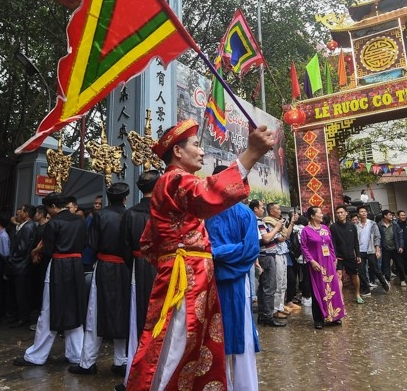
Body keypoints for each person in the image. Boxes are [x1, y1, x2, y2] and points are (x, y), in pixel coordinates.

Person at [126, 119, 275, 390]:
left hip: (189, 275)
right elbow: (206, 195)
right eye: (196, 145)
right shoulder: (174, 179)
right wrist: (251, 154)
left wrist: (172, 256)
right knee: (178, 345)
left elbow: (149, 244)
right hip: (185, 280)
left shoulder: (170, 186)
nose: (202, 151)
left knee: (189, 345)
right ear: (178, 152)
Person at [14, 192, 87, 366]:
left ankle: (37, 355)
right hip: (76, 265)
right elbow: (85, 243)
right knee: (74, 307)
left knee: (48, 310)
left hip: (58, 267)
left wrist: (37, 253)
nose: (48, 213)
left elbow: (48, 251)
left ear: (53, 207)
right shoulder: (80, 220)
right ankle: (77, 353)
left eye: (48, 209)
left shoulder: (53, 223)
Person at [205, 166, 261, 391]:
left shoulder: (243, 213)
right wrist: (228, 251)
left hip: (230, 280)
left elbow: (250, 249)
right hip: (215, 280)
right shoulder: (205, 214)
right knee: (216, 336)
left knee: (238, 335)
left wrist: (217, 253)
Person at [70, 182, 131, 376]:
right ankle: (121, 361)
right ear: (125, 198)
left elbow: (92, 243)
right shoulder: (131, 215)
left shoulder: (99, 216)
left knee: (94, 313)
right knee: (123, 312)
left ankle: (88, 362)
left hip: (104, 266)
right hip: (126, 268)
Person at [118, 170, 160, 390]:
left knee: (138, 318)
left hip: (137, 266)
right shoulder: (164, 211)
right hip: (163, 268)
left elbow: (123, 246)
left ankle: (135, 375)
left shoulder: (130, 213)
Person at [300, 206, 346, 329]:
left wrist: (334, 258)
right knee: (318, 290)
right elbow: (303, 247)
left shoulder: (326, 228)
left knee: (333, 288)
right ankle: (319, 319)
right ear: (312, 216)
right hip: (316, 265)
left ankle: (334, 316)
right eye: (319, 213)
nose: (322, 215)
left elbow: (330, 244)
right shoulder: (306, 230)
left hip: (328, 262)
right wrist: (311, 261)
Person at [254, 199, 286, 327]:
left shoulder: (261, 222)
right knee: (269, 286)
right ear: (255, 209)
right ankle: (267, 315)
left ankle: (264, 314)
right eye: (261, 207)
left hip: (267, 255)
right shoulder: (258, 222)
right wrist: (277, 227)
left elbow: (277, 239)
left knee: (265, 287)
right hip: (265, 256)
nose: (263, 209)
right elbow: (266, 239)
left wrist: (282, 229)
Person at [7, 204, 36, 329]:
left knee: (21, 293)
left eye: (21, 212)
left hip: (21, 265)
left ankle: (23, 318)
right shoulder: (23, 226)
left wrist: (13, 258)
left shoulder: (28, 227)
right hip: (19, 264)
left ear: (27, 214)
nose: (19, 214)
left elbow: (22, 247)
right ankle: (18, 316)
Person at [330, 204, 364, 304]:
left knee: (354, 275)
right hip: (339, 256)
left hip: (350, 256)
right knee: (338, 276)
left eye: (341, 212)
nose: (340, 215)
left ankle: (357, 294)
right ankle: (340, 298)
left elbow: (355, 241)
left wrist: (358, 255)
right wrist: (334, 256)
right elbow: (333, 243)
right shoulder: (333, 227)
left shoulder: (352, 226)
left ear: (346, 213)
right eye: (338, 213)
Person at [356, 205, 389, 294]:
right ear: (358, 214)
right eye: (361, 211)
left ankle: (384, 283)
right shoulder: (356, 225)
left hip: (370, 250)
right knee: (362, 271)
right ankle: (366, 289)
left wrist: (377, 250)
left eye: (365, 211)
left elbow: (377, 237)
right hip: (360, 251)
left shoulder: (372, 224)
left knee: (375, 269)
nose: (363, 213)